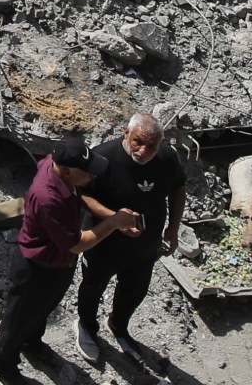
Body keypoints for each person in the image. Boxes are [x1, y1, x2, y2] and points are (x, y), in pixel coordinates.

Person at [0, 135, 142, 384]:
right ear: (69, 171)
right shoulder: (49, 197)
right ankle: (4, 364)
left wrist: (113, 216)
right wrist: (113, 223)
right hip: (36, 268)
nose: (93, 177)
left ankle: (32, 342)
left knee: (42, 309)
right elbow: (76, 244)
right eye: (88, 173)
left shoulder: (57, 167)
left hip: (58, 264)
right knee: (18, 319)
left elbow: (79, 197)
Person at [74, 114, 186, 366]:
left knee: (135, 290)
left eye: (152, 146)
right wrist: (114, 219)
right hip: (103, 244)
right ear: (126, 133)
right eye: (138, 142)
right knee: (93, 287)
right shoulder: (102, 159)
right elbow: (81, 195)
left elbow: (179, 188)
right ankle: (86, 327)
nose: (144, 151)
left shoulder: (167, 158)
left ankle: (118, 325)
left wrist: (173, 228)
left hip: (145, 246)